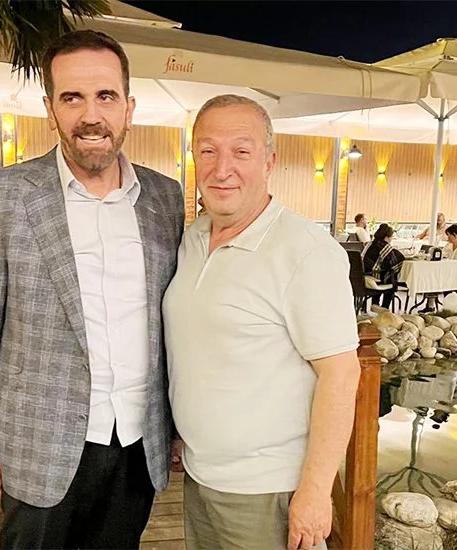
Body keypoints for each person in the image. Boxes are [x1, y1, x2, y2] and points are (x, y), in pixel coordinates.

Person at [0, 30, 184, 550]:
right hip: (39, 445)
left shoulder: (164, 198)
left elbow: (168, 327)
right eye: (72, 97)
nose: (90, 115)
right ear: (50, 109)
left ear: (128, 108)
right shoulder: (2, 195)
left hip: (136, 443)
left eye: (105, 96)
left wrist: (174, 428)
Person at [163, 95, 360, 550]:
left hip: (269, 490)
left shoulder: (306, 251)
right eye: (208, 151)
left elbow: (341, 374)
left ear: (269, 161)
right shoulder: (192, 239)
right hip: (199, 477)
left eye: (241, 151)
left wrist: (315, 492)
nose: (222, 168)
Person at [361, 224, 406, 309]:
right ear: (386, 237)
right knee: (391, 276)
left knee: (382, 269)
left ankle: (375, 304)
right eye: (391, 237)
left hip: (363, 275)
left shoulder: (369, 244)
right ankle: (385, 307)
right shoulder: (385, 247)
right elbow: (394, 263)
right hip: (374, 278)